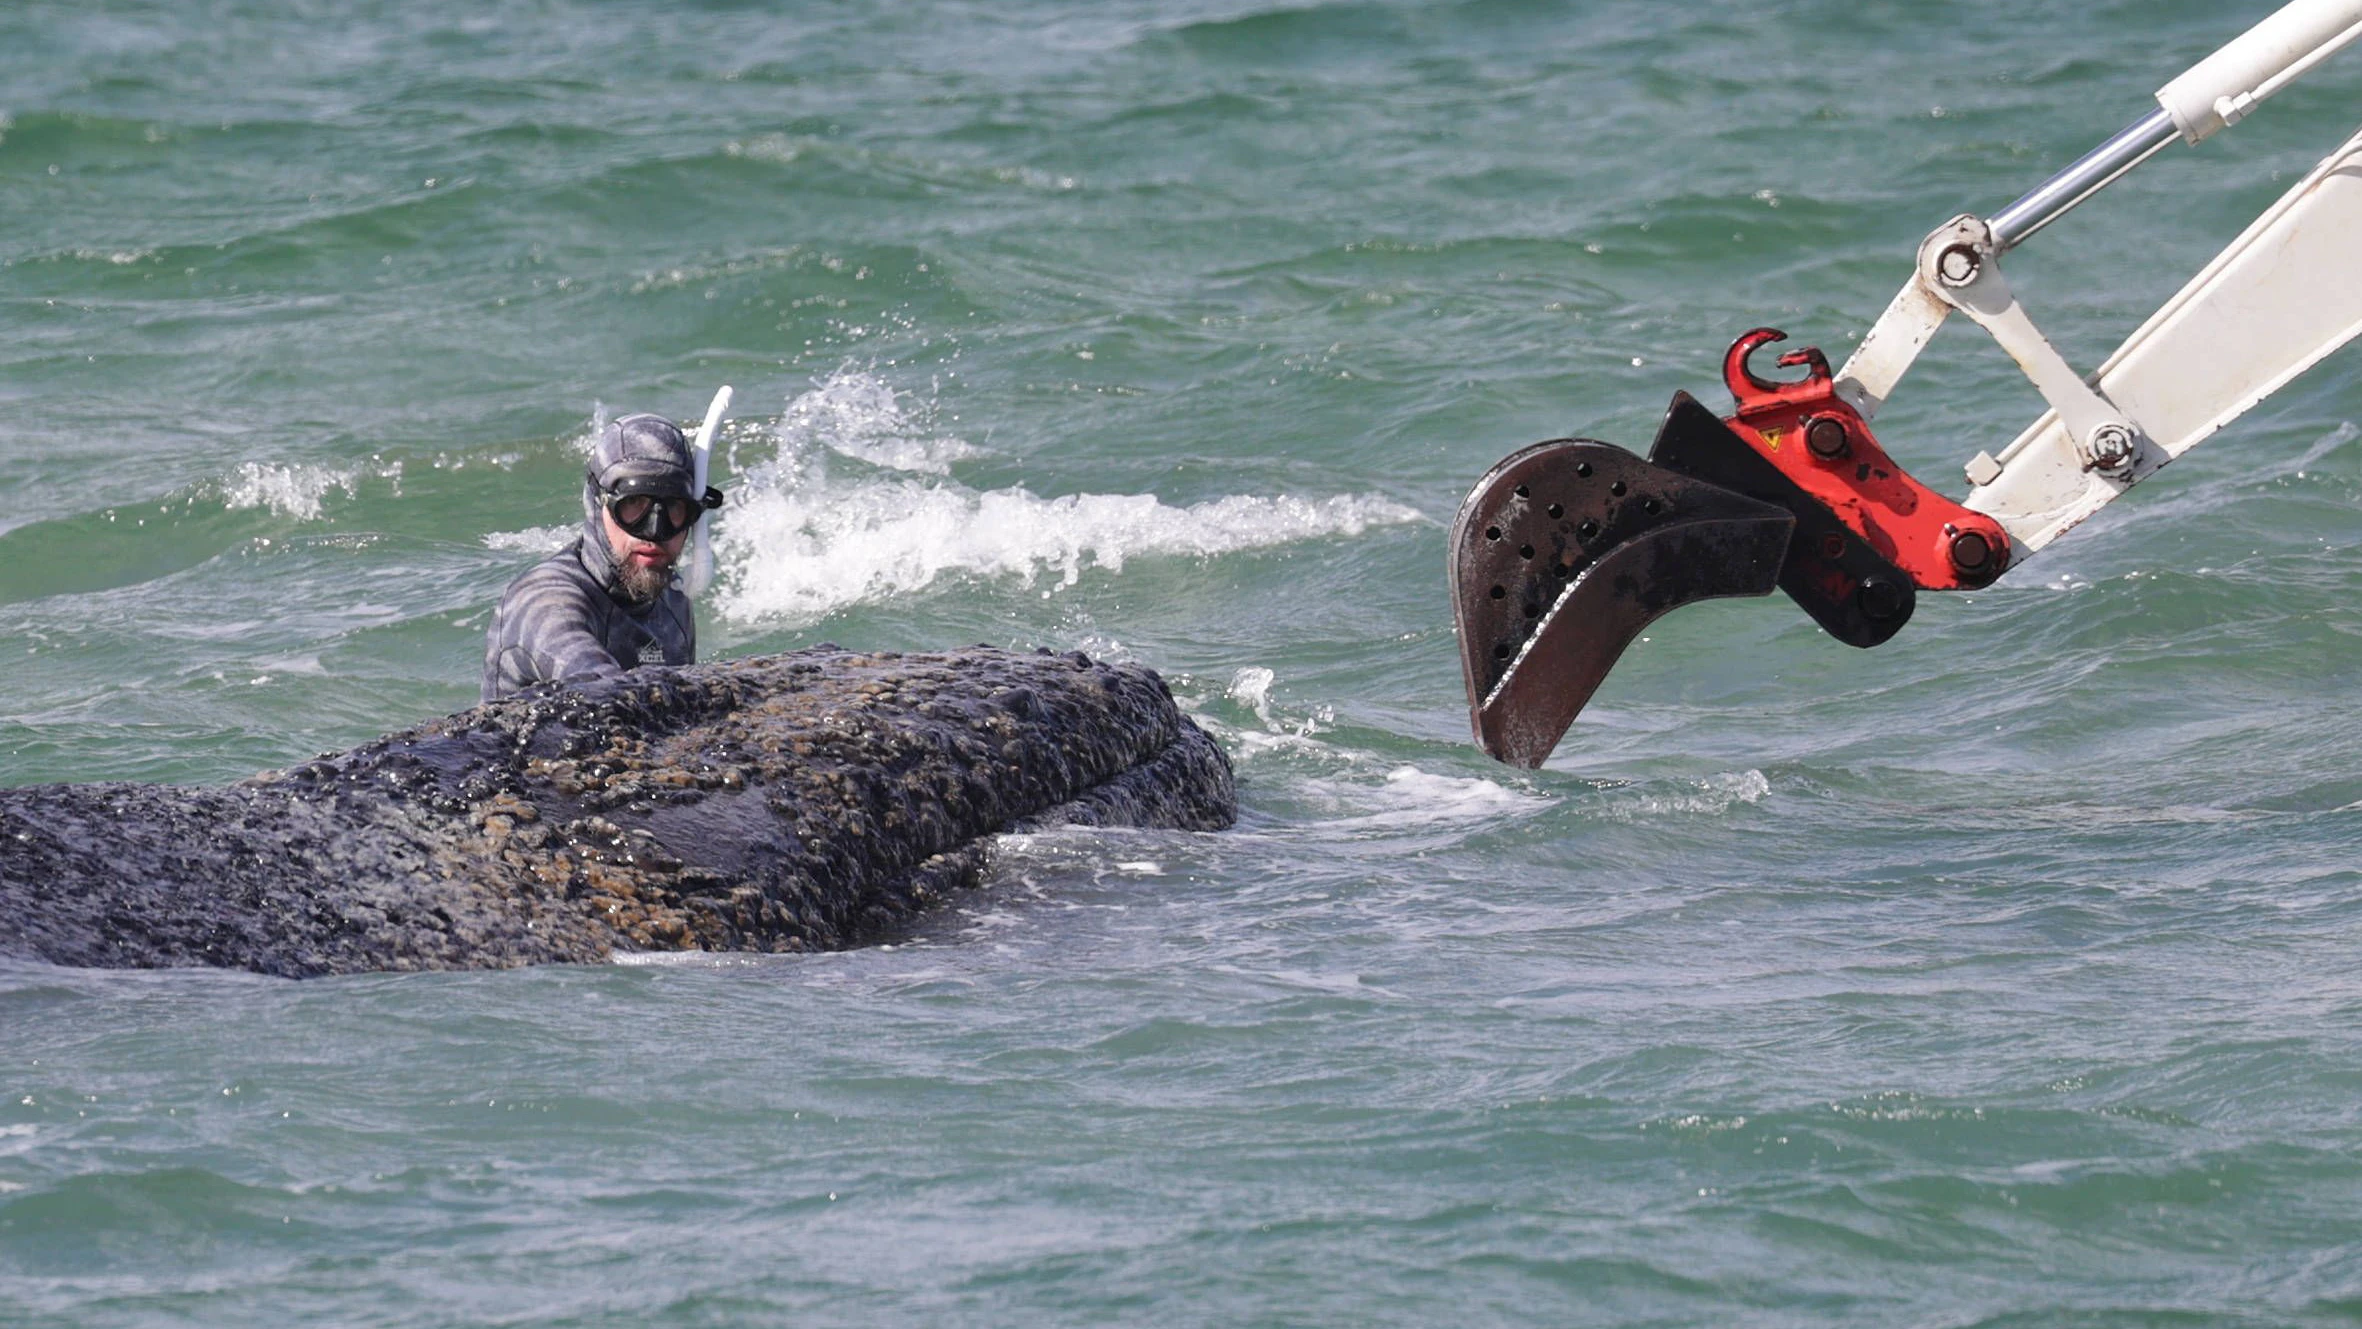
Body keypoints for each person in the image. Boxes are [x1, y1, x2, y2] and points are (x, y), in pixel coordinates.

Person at [480, 413, 723, 702]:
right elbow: (604, 692)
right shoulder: (543, 603)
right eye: (633, 504)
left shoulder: (672, 597)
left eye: (674, 508)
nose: (655, 531)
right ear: (597, 503)